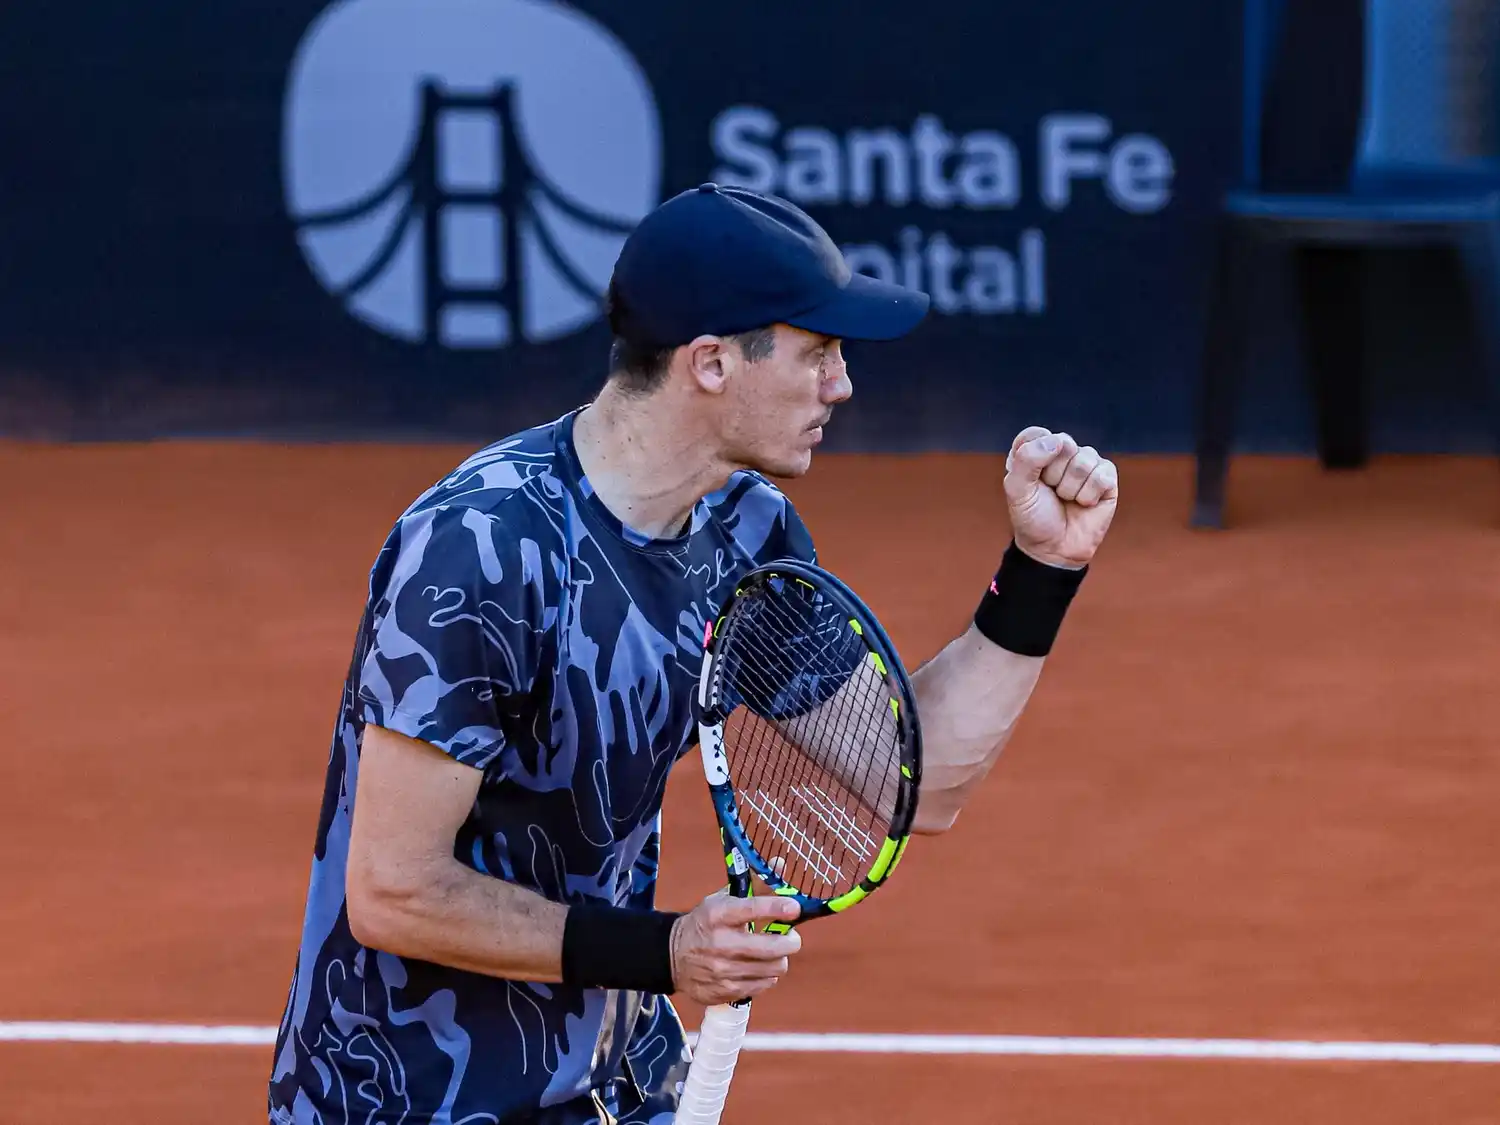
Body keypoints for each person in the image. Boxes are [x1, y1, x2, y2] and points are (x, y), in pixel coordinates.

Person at [267, 183, 1118, 1125]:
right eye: (817, 352)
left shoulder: (745, 534)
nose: (841, 384)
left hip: (615, 1085)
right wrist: (666, 954)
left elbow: (912, 786)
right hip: (405, 1096)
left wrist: (1042, 570)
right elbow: (393, 890)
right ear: (711, 362)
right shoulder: (483, 549)